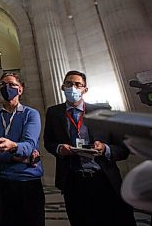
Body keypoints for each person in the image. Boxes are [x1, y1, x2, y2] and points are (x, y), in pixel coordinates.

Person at [43, 70, 136, 226]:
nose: (73, 87)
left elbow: (123, 149)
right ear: (62, 87)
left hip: (104, 179)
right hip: (73, 181)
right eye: (69, 83)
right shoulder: (54, 113)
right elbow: (49, 142)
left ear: (85, 89)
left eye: (78, 84)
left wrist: (105, 148)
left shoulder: (103, 112)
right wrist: (59, 148)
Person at [0, 72, 45, 226]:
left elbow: (28, 146)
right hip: (1, 182)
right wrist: (15, 155)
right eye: (2, 84)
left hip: (27, 181)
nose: (6, 88)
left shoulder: (31, 114)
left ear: (20, 89)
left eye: (11, 85)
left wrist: (12, 147)